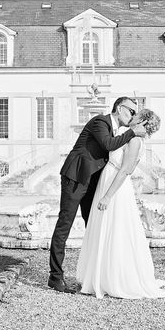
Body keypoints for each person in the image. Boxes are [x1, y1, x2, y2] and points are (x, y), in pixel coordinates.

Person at [48, 97, 148, 294]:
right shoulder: (100, 122)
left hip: (92, 182)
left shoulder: (116, 130)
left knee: (94, 224)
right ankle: (55, 277)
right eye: (131, 111)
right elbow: (108, 145)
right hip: (75, 178)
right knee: (64, 225)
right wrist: (132, 132)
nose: (134, 116)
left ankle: (96, 274)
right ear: (119, 108)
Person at [76, 108, 165, 299]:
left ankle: (114, 278)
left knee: (115, 230)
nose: (132, 117)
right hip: (107, 181)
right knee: (104, 230)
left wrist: (107, 196)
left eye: (136, 116)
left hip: (115, 186)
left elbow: (124, 170)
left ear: (143, 123)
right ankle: (101, 275)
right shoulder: (129, 137)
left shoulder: (134, 140)